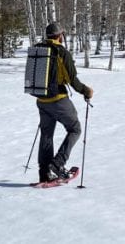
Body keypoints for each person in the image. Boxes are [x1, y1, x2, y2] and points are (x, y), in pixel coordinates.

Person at [35, 22, 93, 183]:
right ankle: (57, 164)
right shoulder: (61, 52)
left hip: (41, 99)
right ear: (60, 35)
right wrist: (86, 91)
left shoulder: (39, 49)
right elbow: (72, 80)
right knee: (75, 129)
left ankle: (44, 173)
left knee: (46, 135)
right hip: (58, 100)